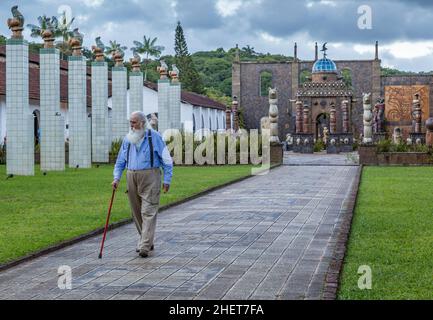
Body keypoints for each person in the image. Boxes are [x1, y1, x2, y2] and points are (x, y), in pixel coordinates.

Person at [112, 111, 173, 258]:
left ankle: (144, 245)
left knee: (148, 210)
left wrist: (167, 180)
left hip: (151, 175)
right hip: (131, 175)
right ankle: (146, 238)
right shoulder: (128, 139)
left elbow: (167, 161)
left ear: (142, 123)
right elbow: (121, 160)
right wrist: (116, 178)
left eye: (133, 122)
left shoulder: (155, 137)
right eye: (130, 122)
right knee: (137, 211)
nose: (131, 125)